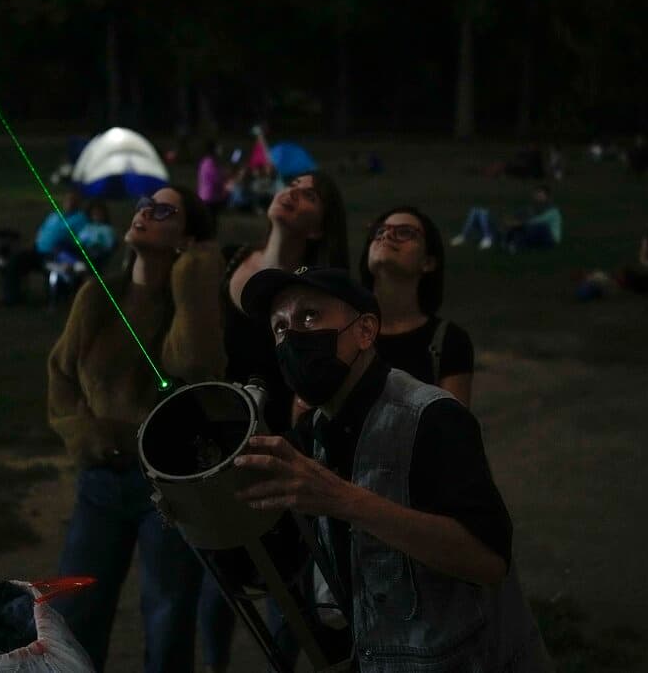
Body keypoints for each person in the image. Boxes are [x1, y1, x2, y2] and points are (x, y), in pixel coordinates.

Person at [234, 267, 552, 672]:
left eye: (310, 316)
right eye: (279, 327)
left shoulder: (431, 417)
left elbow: (488, 561)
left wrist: (344, 500)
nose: (292, 337)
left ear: (365, 331)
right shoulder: (312, 433)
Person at [47, 186, 225, 673]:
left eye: (164, 210)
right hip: (101, 479)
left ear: (187, 238)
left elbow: (194, 365)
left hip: (168, 488)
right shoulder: (98, 297)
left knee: (167, 617)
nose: (145, 212)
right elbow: (60, 373)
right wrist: (84, 435)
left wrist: (191, 277)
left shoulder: (192, 306)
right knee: (76, 611)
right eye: (145, 204)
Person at [199, 170, 349, 673]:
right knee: (219, 584)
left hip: (280, 447)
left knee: (284, 583)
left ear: (319, 227)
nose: (292, 193)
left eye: (309, 195)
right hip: (215, 445)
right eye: (292, 185)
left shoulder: (316, 289)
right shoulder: (232, 260)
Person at [360, 206, 474, 405]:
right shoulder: (345, 329)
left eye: (405, 232)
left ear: (428, 262)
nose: (387, 235)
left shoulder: (448, 341)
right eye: (380, 230)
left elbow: (453, 421)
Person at [2, 190, 87, 305]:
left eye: (73, 200)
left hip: (57, 255)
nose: (70, 202)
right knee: (15, 260)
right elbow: (42, 232)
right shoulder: (54, 216)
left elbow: (82, 239)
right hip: (38, 252)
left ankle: (58, 297)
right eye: (68, 199)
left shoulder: (81, 219)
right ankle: (12, 298)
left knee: (56, 268)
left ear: (79, 202)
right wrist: (33, 244)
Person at [46, 199, 117, 298]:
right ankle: (76, 265)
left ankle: (73, 266)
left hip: (95, 254)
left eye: (99, 214)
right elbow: (78, 241)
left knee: (72, 260)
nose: (97, 216)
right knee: (60, 245)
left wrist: (96, 245)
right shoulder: (88, 227)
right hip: (81, 252)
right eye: (94, 214)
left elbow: (109, 246)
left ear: (104, 215)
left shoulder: (108, 230)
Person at [502, 184, 563, 252]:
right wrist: (510, 221)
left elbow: (538, 221)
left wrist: (518, 223)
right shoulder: (532, 208)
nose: (538, 196)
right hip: (537, 235)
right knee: (519, 227)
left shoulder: (553, 210)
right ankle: (509, 243)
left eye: (540, 194)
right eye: (536, 194)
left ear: (547, 196)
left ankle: (517, 245)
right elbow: (516, 215)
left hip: (551, 238)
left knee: (540, 227)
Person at [198, 140, 228, 220]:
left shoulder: (209, 161)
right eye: (218, 148)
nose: (221, 149)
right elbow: (216, 179)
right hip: (209, 197)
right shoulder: (209, 162)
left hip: (211, 196)